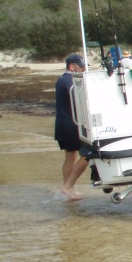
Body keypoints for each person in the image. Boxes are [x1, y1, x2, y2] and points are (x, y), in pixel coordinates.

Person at [55, 54, 89, 201]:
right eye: (81, 67)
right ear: (72, 66)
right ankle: (68, 187)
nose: (83, 69)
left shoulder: (61, 79)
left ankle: (68, 190)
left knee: (70, 157)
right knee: (89, 154)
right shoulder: (71, 81)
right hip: (71, 124)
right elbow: (80, 101)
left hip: (62, 123)